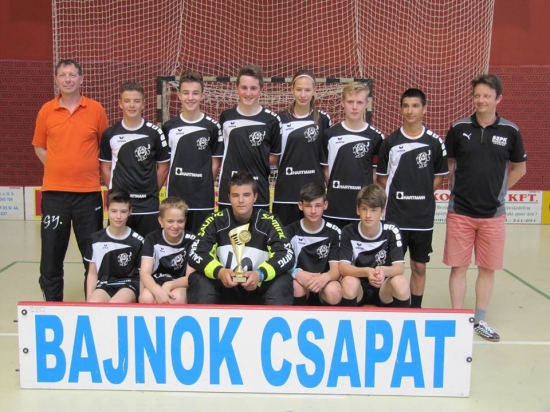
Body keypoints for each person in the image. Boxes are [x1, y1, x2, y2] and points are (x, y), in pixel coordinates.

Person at [444, 74, 527, 342]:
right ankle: (458, 318)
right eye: (477, 95)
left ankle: (479, 320)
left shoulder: (511, 131)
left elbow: (520, 169)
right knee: (458, 268)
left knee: (486, 269)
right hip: (460, 212)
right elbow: (449, 165)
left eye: (487, 96)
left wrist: (499, 192)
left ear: (498, 99)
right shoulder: (458, 128)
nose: (481, 100)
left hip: (493, 215)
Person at [32, 59, 108, 301]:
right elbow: (39, 146)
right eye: (63, 75)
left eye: (72, 75)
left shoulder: (96, 109)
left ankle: (93, 304)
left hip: (89, 195)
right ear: (56, 79)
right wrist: (58, 166)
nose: (68, 79)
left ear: (81, 79)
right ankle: (53, 305)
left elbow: (105, 148)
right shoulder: (46, 110)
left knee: (92, 255)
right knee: (51, 256)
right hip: (54, 196)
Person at [377, 88, 448, 308]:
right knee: (392, 267)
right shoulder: (390, 142)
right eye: (406, 106)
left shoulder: (435, 142)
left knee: (419, 266)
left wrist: (422, 192)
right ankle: (392, 309)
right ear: (400, 109)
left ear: (424, 109)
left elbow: (439, 177)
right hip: (395, 216)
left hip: (422, 218)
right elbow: (382, 179)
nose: (410, 111)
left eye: (415, 106)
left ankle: (415, 309)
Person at [187, 171, 295, 305]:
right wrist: (219, 272)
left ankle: (275, 319)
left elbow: (286, 254)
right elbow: (196, 252)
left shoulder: (269, 221)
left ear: (255, 197)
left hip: (258, 288)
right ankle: (206, 318)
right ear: (229, 197)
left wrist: (260, 274)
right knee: (198, 279)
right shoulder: (215, 220)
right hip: (223, 287)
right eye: (235, 195)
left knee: (283, 280)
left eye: (246, 195)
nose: (241, 200)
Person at [100, 82, 170, 237]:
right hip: (120, 205)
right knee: (119, 247)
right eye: (127, 101)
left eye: (136, 101)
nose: (132, 105)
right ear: (120, 103)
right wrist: (115, 191)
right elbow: (105, 167)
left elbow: (164, 166)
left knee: (148, 248)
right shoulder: (110, 133)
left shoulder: (155, 133)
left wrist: (151, 190)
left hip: (148, 205)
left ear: (143, 104)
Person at [162, 72, 223, 233]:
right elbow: (165, 164)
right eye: (186, 93)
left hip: (203, 200)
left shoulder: (213, 127)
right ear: (179, 95)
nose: (190, 98)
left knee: (201, 242)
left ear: (202, 95)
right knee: (176, 241)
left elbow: (215, 164)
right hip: (175, 197)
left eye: (195, 93)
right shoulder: (169, 127)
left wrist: (202, 184)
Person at [272, 69, 332, 226]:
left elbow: (326, 161)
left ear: (314, 90)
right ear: (292, 89)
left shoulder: (323, 120)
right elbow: (276, 158)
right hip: (286, 192)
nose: (303, 94)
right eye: (299, 89)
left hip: (314, 194)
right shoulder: (279, 119)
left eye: (307, 90)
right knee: (283, 236)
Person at [217, 65, 281, 210]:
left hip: (259, 188)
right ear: (237, 88)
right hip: (229, 187)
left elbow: (273, 157)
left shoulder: (272, 120)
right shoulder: (226, 117)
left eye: (253, 88)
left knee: (259, 225)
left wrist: (253, 169)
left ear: (261, 89)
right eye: (244, 87)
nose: (248, 93)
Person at [322, 82, 384, 229]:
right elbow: (325, 170)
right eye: (350, 102)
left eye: (359, 102)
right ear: (343, 102)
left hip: (363, 211)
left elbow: (375, 174)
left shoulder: (376, 137)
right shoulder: (329, 135)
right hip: (334, 209)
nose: (354, 107)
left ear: (366, 104)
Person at [339, 184, 410, 308]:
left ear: (382, 211)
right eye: (364, 209)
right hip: (359, 286)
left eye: (373, 210)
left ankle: (402, 320)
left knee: (401, 282)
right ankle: (349, 320)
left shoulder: (391, 230)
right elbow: (343, 268)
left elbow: (399, 268)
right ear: (357, 210)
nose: (368, 215)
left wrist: (382, 270)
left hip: (383, 286)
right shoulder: (348, 231)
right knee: (348, 282)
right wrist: (367, 272)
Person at [285, 183, 341, 306]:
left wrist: (325, 277)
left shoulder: (334, 232)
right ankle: (299, 317)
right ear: (300, 206)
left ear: (325, 205)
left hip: (324, 283)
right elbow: (283, 262)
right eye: (308, 206)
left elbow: (336, 269)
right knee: (295, 286)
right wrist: (297, 273)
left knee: (334, 291)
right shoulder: (289, 231)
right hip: (300, 281)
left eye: (318, 205)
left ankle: (328, 318)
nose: (313, 211)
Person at [85, 189, 144, 303]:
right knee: (94, 303)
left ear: (130, 211)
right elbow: (92, 273)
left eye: (123, 211)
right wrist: (89, 303)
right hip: (105, 285)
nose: (118, 216)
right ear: (106, 210)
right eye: (114, 211)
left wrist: (141, 299)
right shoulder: (95, 239)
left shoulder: (138, 241)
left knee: (115, 304)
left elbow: (143, 275)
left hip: (129, 284)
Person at [139, 197, 196, 304]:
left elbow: (190, 278)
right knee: (146, 297)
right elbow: (145, 273)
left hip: (179, 284)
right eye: (170, 221)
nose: (175, 226)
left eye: (180, 221)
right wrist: (157, 291)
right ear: (161, 221)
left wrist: (169, 285)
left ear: (185, 220)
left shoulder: (192, 240)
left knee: (176, 298)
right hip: (156, 282)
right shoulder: (151, 238)